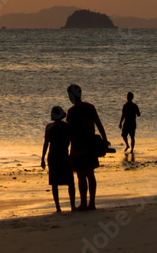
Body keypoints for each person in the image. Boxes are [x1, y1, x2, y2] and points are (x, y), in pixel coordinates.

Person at [66, 83, 109, 211]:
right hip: (91, 144)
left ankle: (84, 203)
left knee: (81, 175)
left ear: (71, 96)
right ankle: (92, 203)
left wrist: (70, 148)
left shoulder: (72, 111)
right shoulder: (90, 107)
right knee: (90, 173)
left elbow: (70, 131)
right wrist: (105, 139)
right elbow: (99, 124)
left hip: (79, 145)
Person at [41, 105, 76, 211]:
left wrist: (42, 158)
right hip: (64, 155)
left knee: (55, 183)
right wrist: (72, 155)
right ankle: (72, 206)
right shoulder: (67, 127)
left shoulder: (49, 127)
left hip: (53, 156)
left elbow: (46, 143)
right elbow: (72, 141)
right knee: (70, 182)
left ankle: (58, 207)